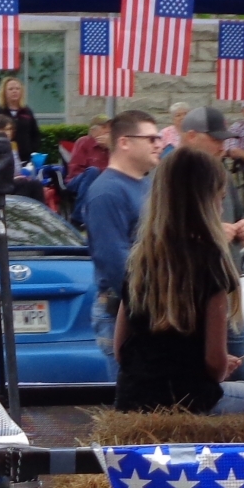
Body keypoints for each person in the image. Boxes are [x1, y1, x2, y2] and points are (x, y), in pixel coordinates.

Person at [114, 146, 244, 415]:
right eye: (221, 199)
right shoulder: (210, 262)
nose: (222, 208)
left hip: (132, 403)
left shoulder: (141, 260)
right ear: (207, 202)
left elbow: (120, 349)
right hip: (194, 403)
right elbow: (214, 365)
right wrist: (223, 365)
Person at [80, 110, 162, 381]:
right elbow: (114, 261)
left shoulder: (147, 185)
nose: (159, 144)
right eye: (151, 138)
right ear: (125, 142)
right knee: (132, 404)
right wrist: (150, 309)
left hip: (149, 308)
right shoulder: (107, 192)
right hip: (123, 314)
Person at [178, 106, 244, 375]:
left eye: (225, 140)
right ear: (191, 136)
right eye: (215, 139)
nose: (222, 147)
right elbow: (161, 236)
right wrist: (206, 234)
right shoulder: (168, 179)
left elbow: (240, 216)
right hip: (193, 301)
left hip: (228, 296)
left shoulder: (223, 175)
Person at [0, 76, 41, 163]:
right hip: (3, 158)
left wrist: (33, 151)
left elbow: (35, 134)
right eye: (11, 89)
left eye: (17, 89)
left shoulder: (27, 111)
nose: (14, 91)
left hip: (26, 158)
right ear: (4, 92)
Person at [65, 115, 112, 181]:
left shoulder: (113, 144)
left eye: (110, 127)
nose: (108, 130)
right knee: (93, 171)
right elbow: (75, 169)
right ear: (93, 130)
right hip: (80, 179)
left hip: (105, 181)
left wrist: (110, 146)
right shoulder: (83, 142)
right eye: (104, 127)